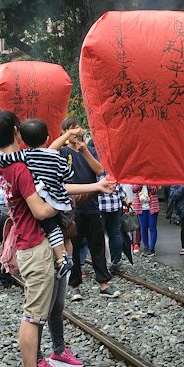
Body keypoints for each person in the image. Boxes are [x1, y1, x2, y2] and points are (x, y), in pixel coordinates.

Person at [0, 110, 116, 367]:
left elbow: (51, 183)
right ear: (17, 133)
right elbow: (42, 210)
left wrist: (94, 186)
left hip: (32, 242)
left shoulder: (8, 163)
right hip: (35, 245)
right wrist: (62, 202)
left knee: (39, 313)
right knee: (32, 317)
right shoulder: (21, 167)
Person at [0, 119, 78, 276]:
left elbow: (4, 159)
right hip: (57, 200)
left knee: (50, 227)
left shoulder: (24, 155)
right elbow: (69, 175)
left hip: (39, 198)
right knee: (57, 227)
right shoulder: (58, 157)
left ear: (23, 141)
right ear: (47, 138)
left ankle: (61, 259)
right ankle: (63, 257)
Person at [60, 117, 119, 301]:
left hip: (92, 206)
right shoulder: (61, 151)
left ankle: (104, 284)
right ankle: (75, 286)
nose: (76, 132)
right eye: (71, 129)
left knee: (97, 246)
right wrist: (67, 138)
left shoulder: (90, 150)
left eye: (78, 128)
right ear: (65, 133)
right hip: (72, 209)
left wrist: (85, 150)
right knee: (74, 249)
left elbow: (100, 170)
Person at [99, 178, 128, 273]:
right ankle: (116, 260)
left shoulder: (95, 170)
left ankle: (103, 262)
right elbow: (121, 191)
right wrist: (124, 199)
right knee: (115, 233)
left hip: (100, 205)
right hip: (115, 205)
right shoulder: (112, 171)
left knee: (99, 234)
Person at [132, 184, 160, 256]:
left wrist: (149, 184)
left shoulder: (153, 179)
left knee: (152, 227)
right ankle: (145, 247)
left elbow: (155, 190)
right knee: (143, 228)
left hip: (152, 206)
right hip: (140, 207)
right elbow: (134, 189)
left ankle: (151, 248)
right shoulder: (136, 178)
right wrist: (140, 184)